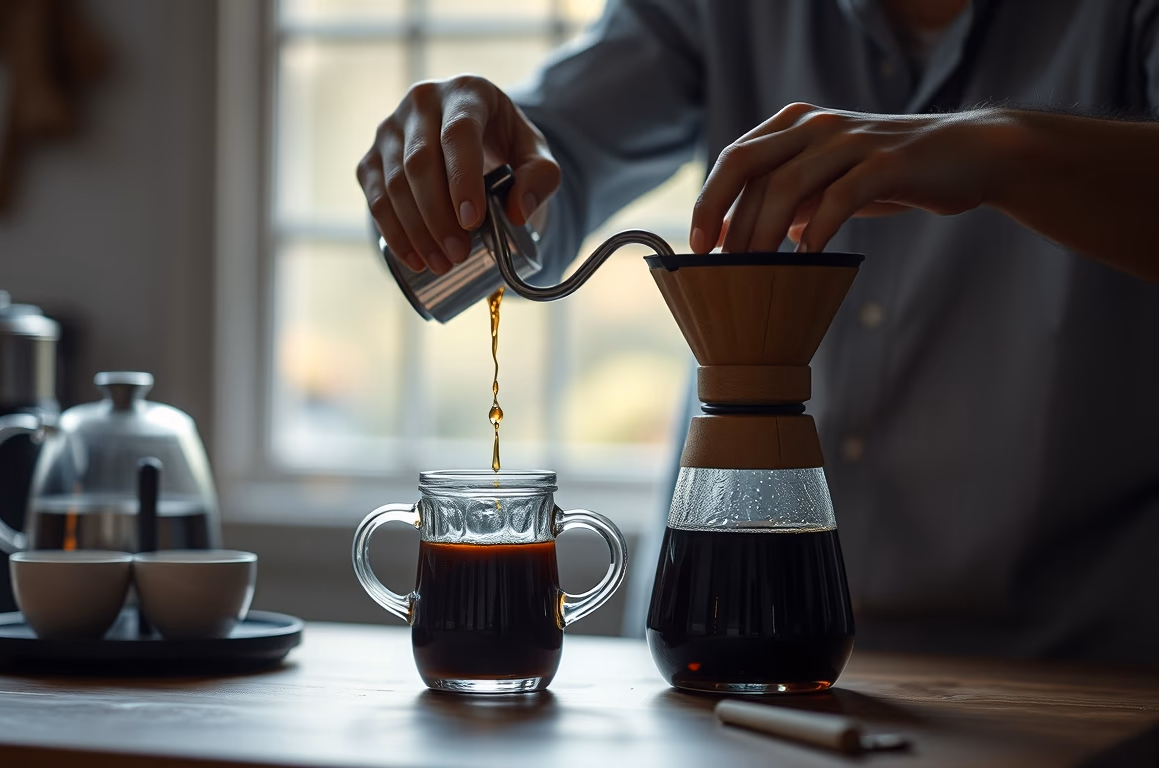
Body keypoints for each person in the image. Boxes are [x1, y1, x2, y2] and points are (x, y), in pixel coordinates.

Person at [357, 0, 1159, 665]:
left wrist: (1005, 152)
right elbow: (544, 166)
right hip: (717, 670)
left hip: (1073, 682)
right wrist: (456, 175)